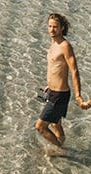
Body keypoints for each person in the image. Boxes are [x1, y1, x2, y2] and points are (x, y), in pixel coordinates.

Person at [35, 13, 83, 151]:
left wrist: (78, 94)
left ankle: (61, 150)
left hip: (59, 94)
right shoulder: (53, 43)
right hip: (51, 91)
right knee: (55, 124)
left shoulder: (65, 46)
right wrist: (49, 85)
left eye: (55, 27)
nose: (51, 30)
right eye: (49, 26)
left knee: (40, 127)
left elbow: (74, 70)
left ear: (62, 28)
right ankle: (61, 142)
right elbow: (55, 68)